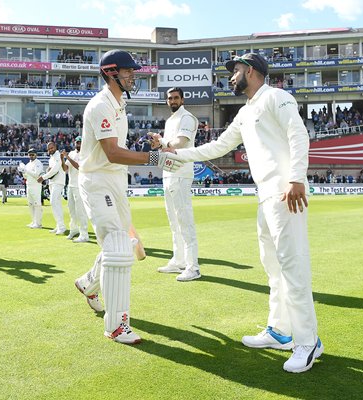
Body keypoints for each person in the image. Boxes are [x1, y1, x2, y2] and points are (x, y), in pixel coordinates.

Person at [164, 53, 322, 373]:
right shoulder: (245, 111)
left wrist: (296, 178)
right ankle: (279, 330)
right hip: (264, 197)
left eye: (235, 71)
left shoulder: (277, 97)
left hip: (284, 193)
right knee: (273, 268)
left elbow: (298, 135)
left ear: (250, 71)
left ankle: (308, 342)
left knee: (293, 268)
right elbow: (218, 147)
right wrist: (178, 154)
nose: (231, 77)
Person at [73, 49, 182, 344]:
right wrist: (154, 159)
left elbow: (116, 155)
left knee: (118, 244)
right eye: (128, 71)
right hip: (97, 180)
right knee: (118, 247)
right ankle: (116, 326)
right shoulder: (100, 106)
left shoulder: (119, 104)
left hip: (116, 180)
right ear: (111, 72)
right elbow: (111, 152)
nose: (134, 76)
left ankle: (88, 283)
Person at [148, 87, 200, 281]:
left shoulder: (187, 118)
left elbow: (180, 142)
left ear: (183, 99)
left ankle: (193, 267)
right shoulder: (171, 120)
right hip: (168, 172)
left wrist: (162, 141)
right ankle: (178, 261)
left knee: (185, 220)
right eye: (170, 98)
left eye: (176, 98)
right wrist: (158, 144)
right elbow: (167, 146)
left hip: (181, 173)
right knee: (174, 221)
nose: (172, 101)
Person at [61, 137, 89, 243]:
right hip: (71, 185)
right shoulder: (72, 153)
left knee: (80, 211)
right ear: (75, 143)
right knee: (71, 210)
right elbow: (65, 169)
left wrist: (67, 156)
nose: (79, 144)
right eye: (77, 142)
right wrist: (62, 159)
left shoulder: (86, 154)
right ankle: (73, 230)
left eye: (81, 142)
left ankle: (84, 234)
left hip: (80, 185)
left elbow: (78, 166)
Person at [37, 142, 66, 235]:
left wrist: (43, 177)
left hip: (59, 182)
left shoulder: (58, 156)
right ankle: (59, 226)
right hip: (52, 182)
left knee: (53, 202)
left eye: (52, 148)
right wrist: (46, 172)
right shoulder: (51, 158)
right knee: (56, 204)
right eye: (49, 149)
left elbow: (55, 170)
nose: (50, 150)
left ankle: (61, 227)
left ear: (55, 147)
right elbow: (50, 169)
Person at [18, 148, 44, 228]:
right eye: (30, 154)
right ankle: (33, 221)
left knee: (37, 204)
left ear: (36, 155)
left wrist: (25, 169)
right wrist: (22, 172)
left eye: (33, 154)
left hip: (36, 185)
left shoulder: (38, 163)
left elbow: (36, 174)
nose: (31, 156)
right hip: (29, 185)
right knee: (30, 204)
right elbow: (26, 176)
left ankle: (38, 223)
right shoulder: (28, 164)